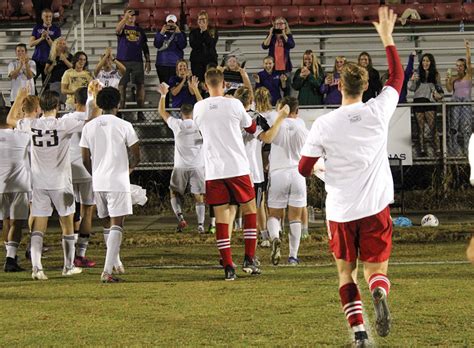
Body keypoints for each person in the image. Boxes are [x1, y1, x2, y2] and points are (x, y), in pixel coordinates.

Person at [298, 7, 403, 346]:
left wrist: (317, 169)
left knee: (346, 273)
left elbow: (303, 168)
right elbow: (398, 78)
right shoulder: (377, 111)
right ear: (367, 85)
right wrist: (387, 38)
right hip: (375, 208)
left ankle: (359, 334)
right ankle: (379, 292)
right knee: (377, 273)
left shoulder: (325, 124)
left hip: (341, 212)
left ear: (337, 85)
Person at [8, 89, 88, 280]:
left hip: (39, 183)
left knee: (38, 227)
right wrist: (92, 95)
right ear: (57, 106)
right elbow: (89, 116)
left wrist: (19, 98)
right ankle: (68, 266)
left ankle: (37, 268)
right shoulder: (63, 123)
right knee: (67, 225)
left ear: (40, 107)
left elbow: (11, 119)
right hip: (60, 183)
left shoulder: (31, 124)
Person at [193, 68, 261, 280]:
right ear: (224, 85)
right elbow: (251, 128)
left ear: (205, 86)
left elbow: (202, 131)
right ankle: (249, 258)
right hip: (237, 167)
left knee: (222, 218)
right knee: (250, 210)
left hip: (214, 170)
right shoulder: (234, 104)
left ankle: (228, 267)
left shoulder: (198, 107)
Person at [80, 86, 141, 283]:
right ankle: (107, 271)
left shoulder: (89, 126)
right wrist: (129, 168)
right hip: (117, 180)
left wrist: (94, 173)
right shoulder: (124, 125)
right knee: (117, 224)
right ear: (118, 103)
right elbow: (137, 154)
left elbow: (84, 158)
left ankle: (115, 261)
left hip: (98, 181)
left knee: (106, 222)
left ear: (99, 103)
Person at [259, 96, 308, 266]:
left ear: (281, 108)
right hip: (298, 173)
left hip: (278, 173)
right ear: (298, 111)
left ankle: (274, 238)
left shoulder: (275, 119)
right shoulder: (302, 125)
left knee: (274, 215)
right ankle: (293, 256)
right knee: (295, 217)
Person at [157, 79, 205, 233]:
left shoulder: (177, 125)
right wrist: (196, 90)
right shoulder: (200, 124)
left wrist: (164, 95)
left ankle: (181, 218)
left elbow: (162, 112)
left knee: (174, 191)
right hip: (198, 166)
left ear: (181, 114)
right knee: (198, 195)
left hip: (180, 167)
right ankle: (200, 225)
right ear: (193, 113)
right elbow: (204, 108)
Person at [62, 87, 96, 268]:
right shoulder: (95, 118)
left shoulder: (66, 119)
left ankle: (70, 254)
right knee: (87, 211)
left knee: (69, 212)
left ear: (75, 101)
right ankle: (80, 254)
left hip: (68, 169)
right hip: (88, 169)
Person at [0, 106, 30, 272]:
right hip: (18, 184)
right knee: (16, 222)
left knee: (5, 220)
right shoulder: (21, 136)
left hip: (0, 185)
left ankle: (9, 255)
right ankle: (10, 258)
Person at [115, 9, 151, 114]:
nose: (131, 17)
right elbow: (117, 30)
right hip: (122, 60)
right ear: (125, 15)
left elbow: (145, 46)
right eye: (129, 15)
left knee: (140, 85)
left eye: (133, 15)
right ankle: (120, 112)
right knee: (121, 86)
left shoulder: (140, 30)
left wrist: (148, 60)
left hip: (137, 61)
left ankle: (141, 112)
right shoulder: (122, 27)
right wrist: (125, 19)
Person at [408, 53, 444, 156]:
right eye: (423, 60)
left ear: (431, 62)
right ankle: (422, 150)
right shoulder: (417, 72)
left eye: (427, 61)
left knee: (433, 126)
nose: (425, 63)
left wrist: (439, 95)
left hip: (429, 101)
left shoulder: (435, 74)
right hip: (418, 101)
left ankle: (438, 150)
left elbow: (440, 90)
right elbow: (411, 88)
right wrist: (413, 80)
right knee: (420, 128)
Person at [445, 40, 472, 156]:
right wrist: (447, 80)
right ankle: (453, 152)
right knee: (454, 129)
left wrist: (467, 48)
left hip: (466, 102)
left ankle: (467, 151)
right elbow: (449, 90)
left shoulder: (469, 75)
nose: (459, 67)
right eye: (457, 66)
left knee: (466, 129)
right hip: (455, 102)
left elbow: (470, 62)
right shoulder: (454, 78)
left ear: (464, 67)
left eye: (461, 65)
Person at [154, 14, 187, 106]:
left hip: (175, 65)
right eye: (169, 22)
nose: (170, 25)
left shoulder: (180, 33)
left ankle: (176, 108)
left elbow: (182, 45)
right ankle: (164, 110)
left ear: (176, 23)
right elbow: (157, 44)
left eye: (173, 23)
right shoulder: (160, 32)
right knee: (164, 89)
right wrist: (161, 32)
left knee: (175, 88)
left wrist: (178, 33)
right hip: (162, 64)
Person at [262, 17, 295, 96]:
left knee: (287, 89)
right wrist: (270, 34)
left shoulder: (288, 36)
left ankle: (287, 105)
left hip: (285, 68)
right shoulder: (272, 36)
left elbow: (291, 45)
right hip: (273, 68)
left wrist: (283, 34)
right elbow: (264, 46)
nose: (279, 26)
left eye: (281, 24)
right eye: (277, 24)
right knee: (273, 88)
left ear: (285, 25)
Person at [30, 8, 61, 84]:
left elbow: (57, 48)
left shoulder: (56, 29)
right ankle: (35, 96)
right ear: (42, 17)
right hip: (37, 59)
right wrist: (41, 38)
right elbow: (31, 44)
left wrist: (47, 38)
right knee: (31, 81)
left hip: (49, 60)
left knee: (47, 84)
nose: (48, 18)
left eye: (50, 16)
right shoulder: (37, 28)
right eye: (46, 16)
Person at [189, 10, 218, 88]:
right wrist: (201, 33)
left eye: (203, 19)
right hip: (197, 62)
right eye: (199, 19)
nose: (201, 21)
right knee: (198, 84)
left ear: (207, 20)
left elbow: (211, 44)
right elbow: (194, 45)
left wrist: (205, 31)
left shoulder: (213, 31)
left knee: (211, 82)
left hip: (210, 60)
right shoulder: (193, 32)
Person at [44, 37, 73, 101]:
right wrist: (52, 65)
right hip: (55, 82)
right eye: (60, 43)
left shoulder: (69, 56)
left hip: (67, 82)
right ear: (56, 45)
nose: (62, 45)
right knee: (55, 101)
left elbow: (73, 68)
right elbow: (46, 71)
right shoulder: (51, 56)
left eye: (63, 43)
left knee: (66, 101)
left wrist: (65, 60)